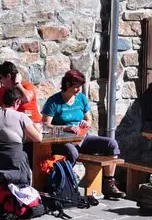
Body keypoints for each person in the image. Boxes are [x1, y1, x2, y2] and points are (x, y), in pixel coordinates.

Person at [41, 69, 126, 199]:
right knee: (72, 152)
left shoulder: (81, 98)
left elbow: (89, 119)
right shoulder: (54, 101)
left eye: (80, 86)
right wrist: (67, 127)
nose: (79, 90)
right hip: (62, 141)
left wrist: (86, 123)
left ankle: (109, 183)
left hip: (83, 138)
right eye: (76, 87)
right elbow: (46, 125)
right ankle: (65, 184)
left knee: (111, 144)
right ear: (67, 84)